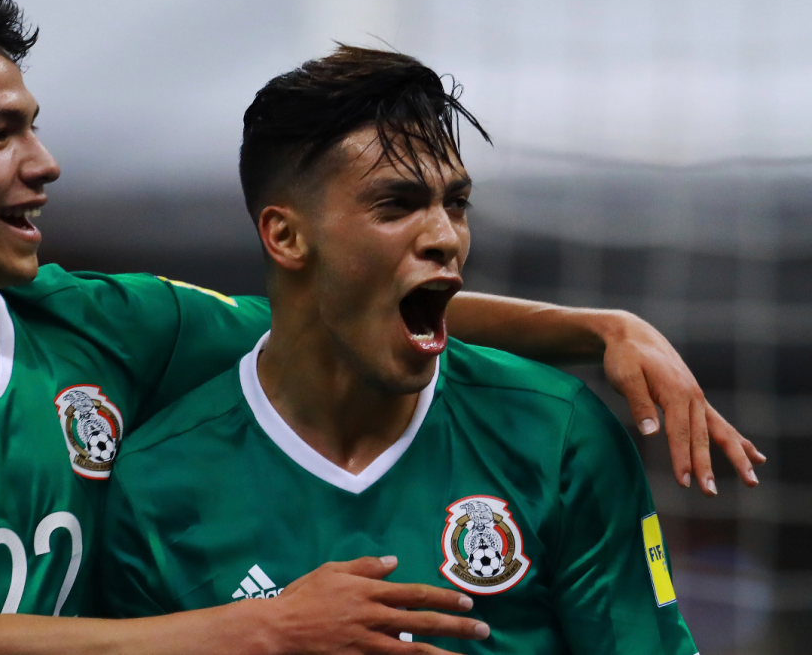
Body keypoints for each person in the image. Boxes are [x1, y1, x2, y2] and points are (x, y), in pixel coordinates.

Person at [0, 0, 761, 654]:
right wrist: (272, 627)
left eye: (36, 127)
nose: (45, 163)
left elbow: (326, 314)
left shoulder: (97, 324)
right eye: (0, 135)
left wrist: (593, 330)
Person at [97, 46, 705, 654]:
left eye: (456, 204)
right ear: (285, 235)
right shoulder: (157, 486)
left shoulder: (559, 434)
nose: (446, 238)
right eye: (397, 205)